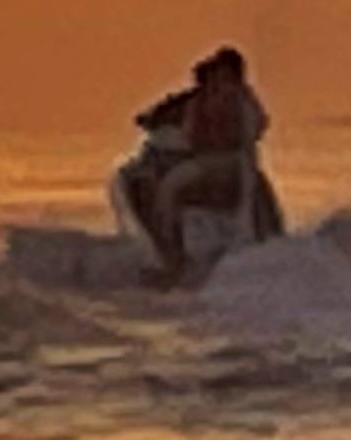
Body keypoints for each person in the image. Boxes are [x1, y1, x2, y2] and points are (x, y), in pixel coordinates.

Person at [110, 45, 285, 282]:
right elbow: (153, 120)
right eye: (214, 77)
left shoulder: (239, 99)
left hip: (228, 165)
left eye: (224, 76)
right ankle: (170, 256)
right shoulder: (198, 99)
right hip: (203, 162)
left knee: (172, 187)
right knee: (141, 180)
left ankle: (175, 264)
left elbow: (255, 127)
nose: (219, 83)